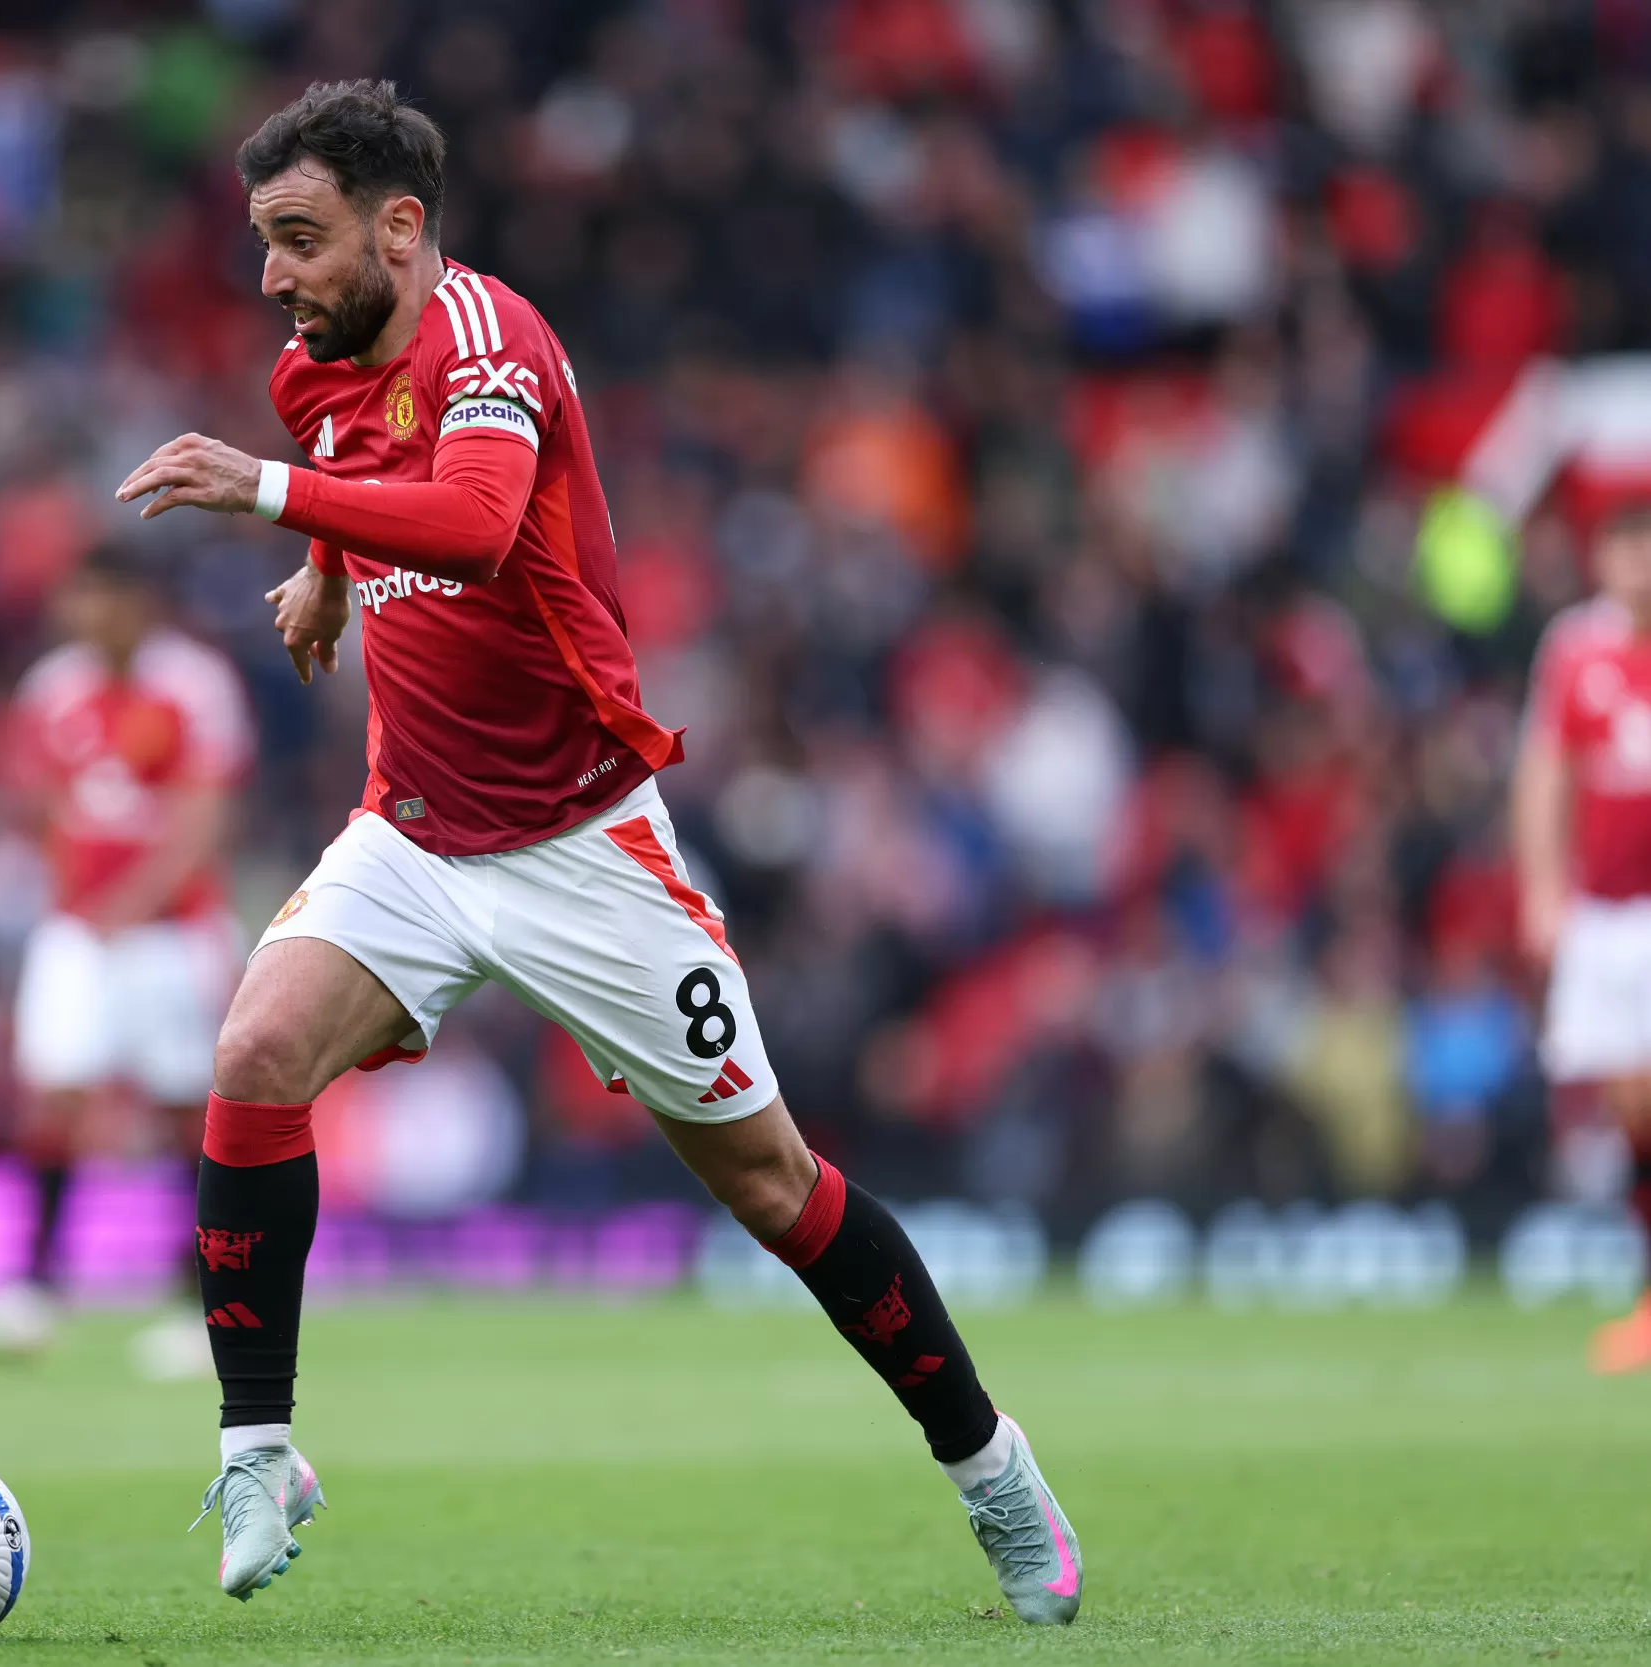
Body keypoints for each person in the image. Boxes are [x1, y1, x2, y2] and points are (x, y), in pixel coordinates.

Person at [115, 80, 1082, 1623]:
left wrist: (268, 496)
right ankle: (257, 1452)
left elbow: (480, 523)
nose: (273, 275)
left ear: (399, 227)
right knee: (254, 1052)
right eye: (263, 242)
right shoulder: (313, 367)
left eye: (299, 238)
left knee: (775, 1185)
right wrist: (325, 569)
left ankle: (991, 1465)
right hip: (413, 832)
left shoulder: (493, 340)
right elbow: (363, 465)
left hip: (583, 846)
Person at [0, 542, 252, 1378]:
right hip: (78, 932)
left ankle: (198, 1300)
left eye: (103, 596)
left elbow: (203, 819)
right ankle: (36, 1287)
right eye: (78, 597)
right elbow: (46, 805)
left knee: (183, 1114)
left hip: (172, 934)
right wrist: (77, 898)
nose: (86, 613)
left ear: (138, 602)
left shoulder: (193, 686)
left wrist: (131, 902)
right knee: (56, 1097)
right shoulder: (51, 689)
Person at [1513, 498, 1651, 1374]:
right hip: (1603, 911)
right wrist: (1540, 884)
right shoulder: (1575, 647)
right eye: (1624, 551)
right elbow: (1546, 766)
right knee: (1630, 1103)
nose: (1637, 567)